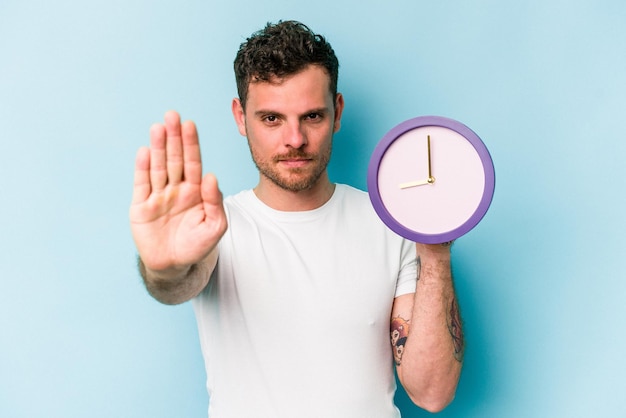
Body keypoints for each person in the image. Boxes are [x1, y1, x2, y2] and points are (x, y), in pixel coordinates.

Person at [130, 20, 463, 417]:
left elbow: (432, 393)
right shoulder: (215, 228)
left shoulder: (390, 225)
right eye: (271, 118)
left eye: (312, 117)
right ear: (241, 117)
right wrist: (163, 267)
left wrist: (436, 253)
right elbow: (176, 283)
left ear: (337, 112)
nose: (294, 140)